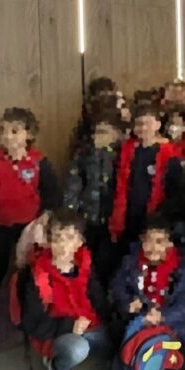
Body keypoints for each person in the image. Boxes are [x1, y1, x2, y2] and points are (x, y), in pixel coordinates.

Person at [20, 208, 111, 370]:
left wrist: (112, 321)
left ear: (79, 242)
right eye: (57, 238)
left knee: (115, 341)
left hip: (88, 324)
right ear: (49, 242)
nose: (62, 245)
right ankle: (58, 366)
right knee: (78, 349)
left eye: (69, 238)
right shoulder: (38, 275)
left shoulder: (85, 266)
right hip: (56, 332)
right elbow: (31, 323)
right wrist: (70, 326)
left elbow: (98, 299)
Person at [0, 108, 60, 288]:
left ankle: (24, 298)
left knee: (28, 268)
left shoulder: (39, 162)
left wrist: (46, 215)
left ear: (30, 134)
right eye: (3, 130)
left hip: (28, 225)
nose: (8, 136)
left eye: (14, 131)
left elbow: (53, 194)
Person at [110, 212, 185, 350]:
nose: (153, 248)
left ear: (170, 244)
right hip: (140, 322)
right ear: (142, 241)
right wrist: (128, 302)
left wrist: (163, 316)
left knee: (175, 361)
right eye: (148, 241)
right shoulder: (131, 261)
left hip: (176, 329)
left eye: (159, 242)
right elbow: (118, 285)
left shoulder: (183, 268)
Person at [108, 104, 184, 250]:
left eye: (148, 123)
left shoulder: (169, 155)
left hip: (154, 218)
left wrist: (162, 216)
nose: (143, 128)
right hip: (127, 217)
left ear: (158, 125)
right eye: (139, 124)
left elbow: (174, 191)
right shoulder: (126, 151)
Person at [64, 103, 123, 285]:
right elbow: (73, 185)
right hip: (87, 216)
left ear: (117, 134)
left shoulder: (123, 154)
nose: (98, 136)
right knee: (86, 260)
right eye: (96, 131)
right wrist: (70, 215)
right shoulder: (84, 154)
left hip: (112, 220)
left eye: (104, 132)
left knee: (109, 262)